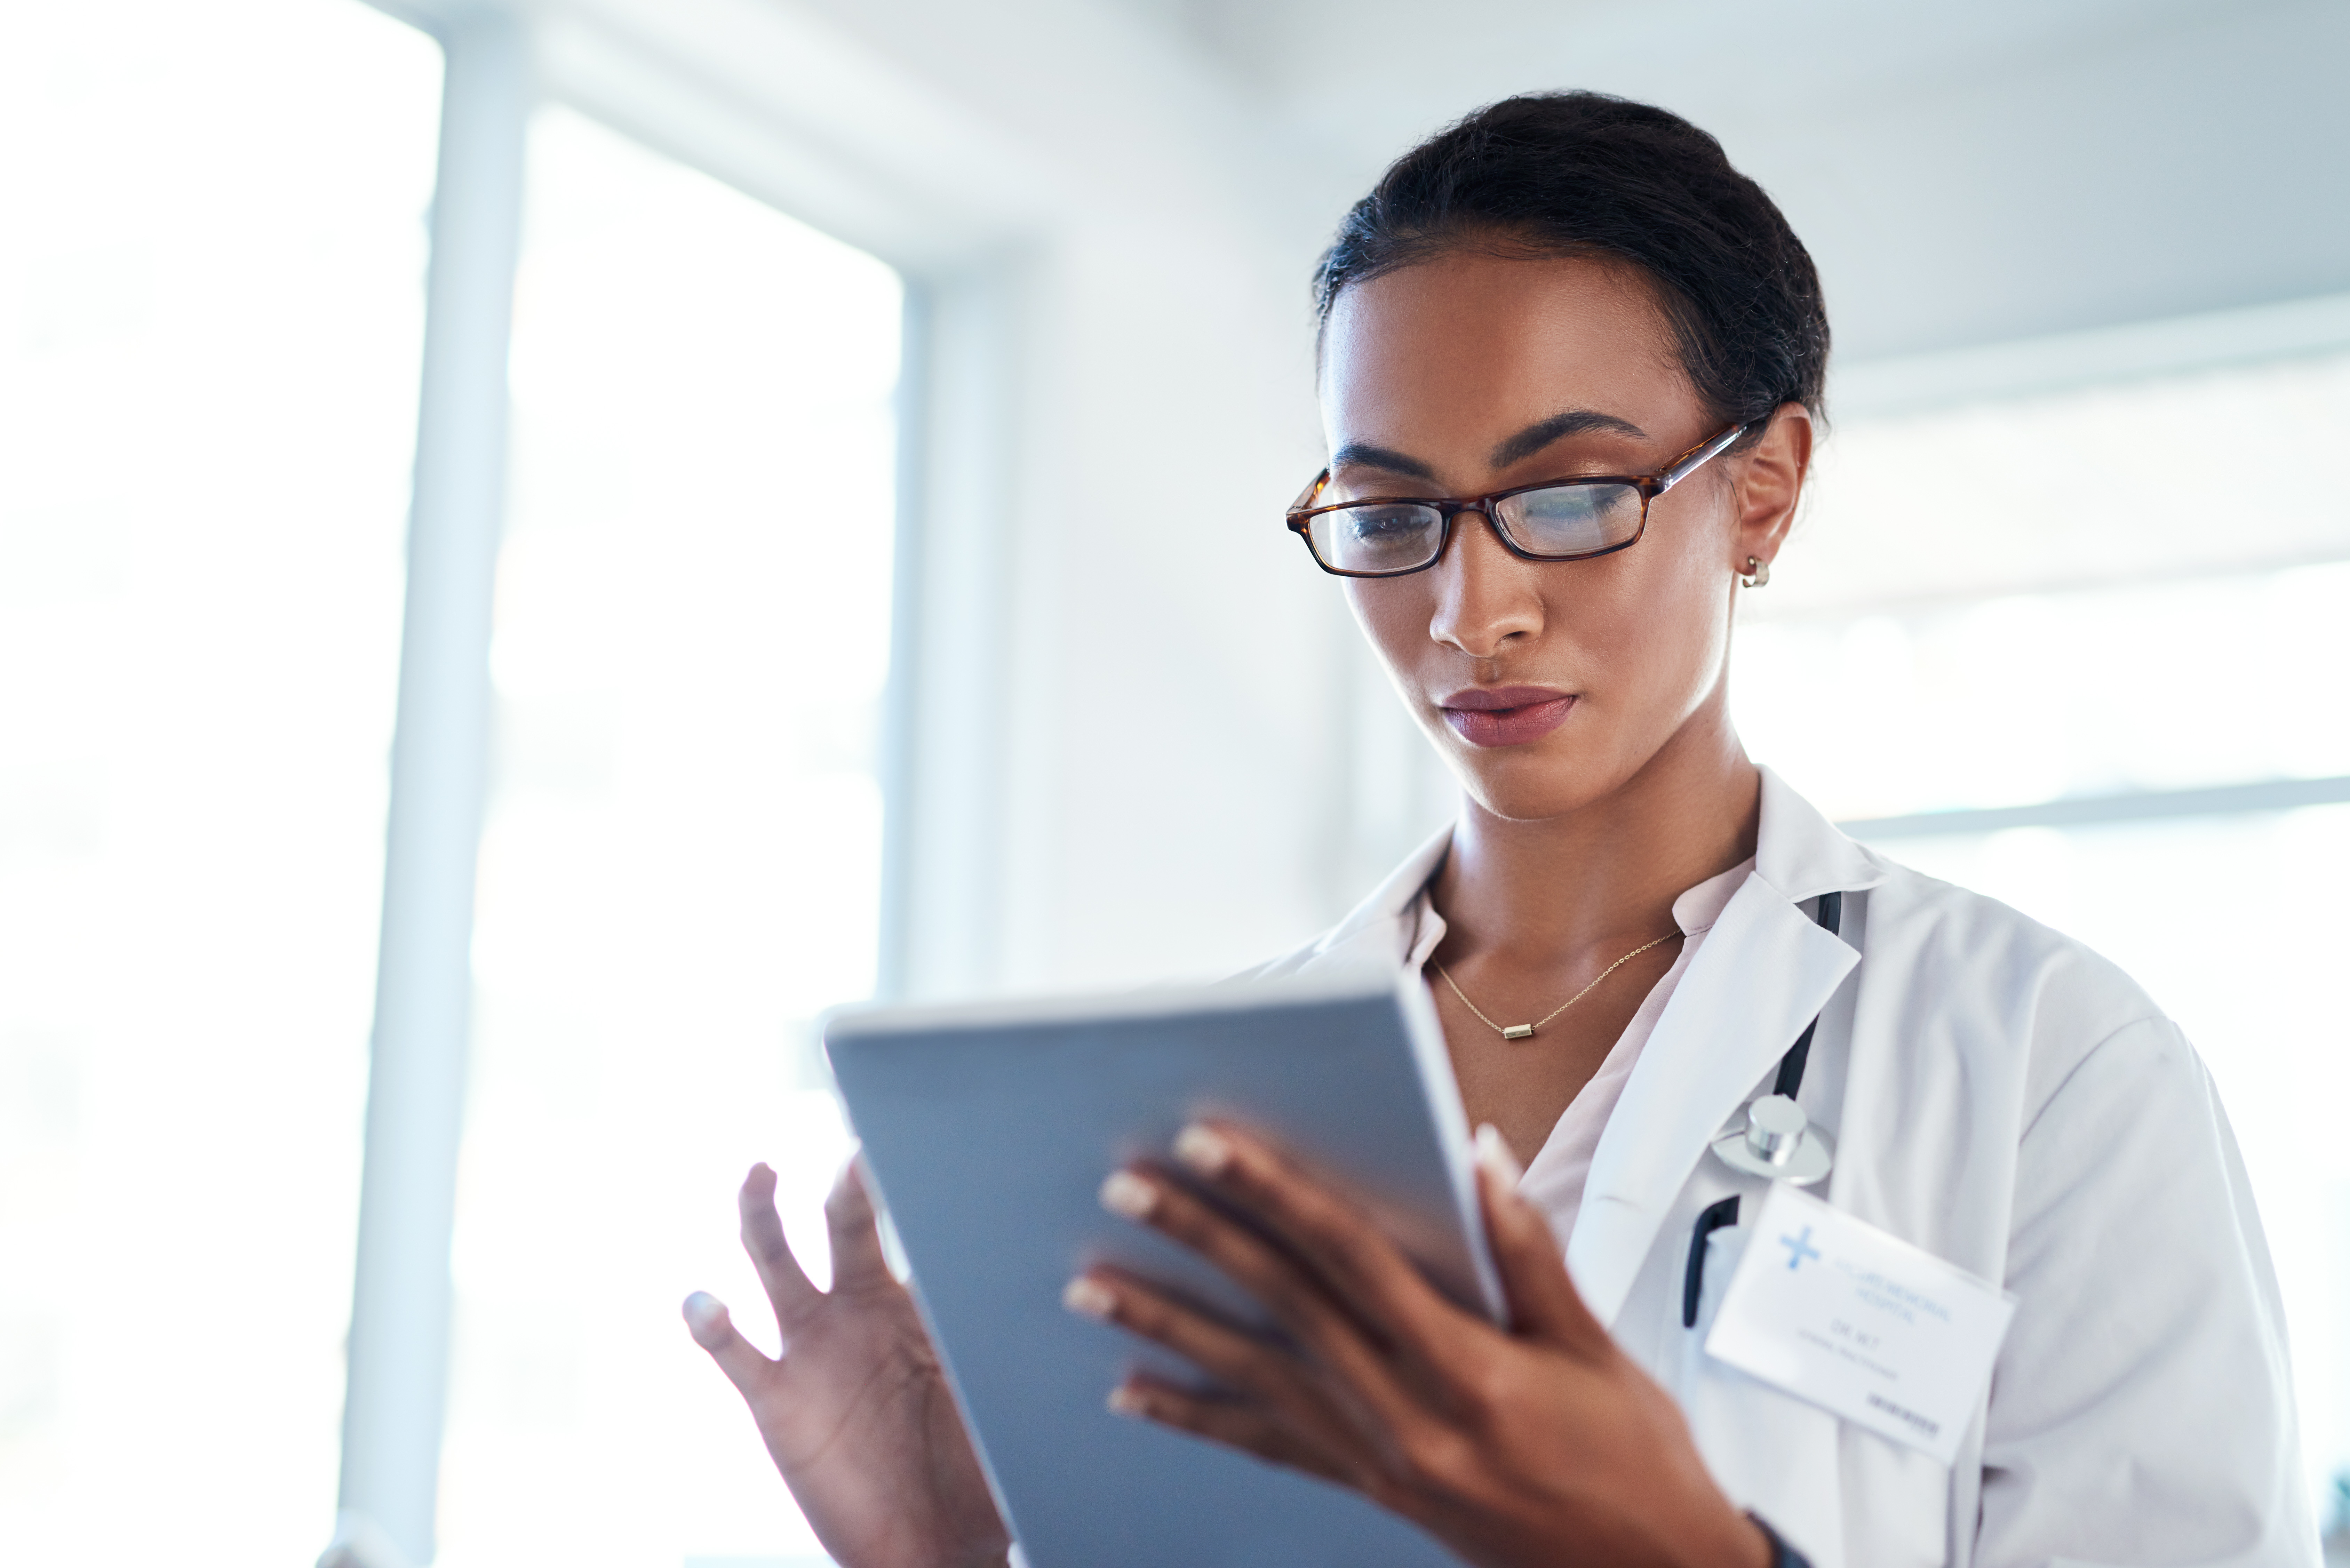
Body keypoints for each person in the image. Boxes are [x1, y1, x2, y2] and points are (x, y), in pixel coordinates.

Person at [680, 93, 2316, 1568]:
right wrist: (959, 1559)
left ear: (1763, 488)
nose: (1475, 612)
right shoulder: (1211, 1093)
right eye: (1392, 515)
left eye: (1568, 493)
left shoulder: (2042, 1069)